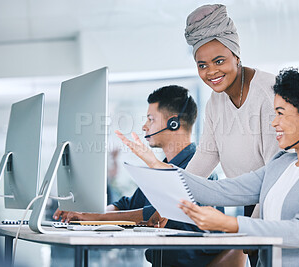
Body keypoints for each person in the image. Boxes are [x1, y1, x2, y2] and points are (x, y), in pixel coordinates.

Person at [117, 4, 279, 265]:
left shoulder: (268, 92)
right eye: (202, 65)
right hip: (250, 202)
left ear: (236, 55)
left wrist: (252, 228)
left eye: (219, 61)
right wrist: (170, 206)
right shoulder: (215, 102)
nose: (211, 72)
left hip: (276, 203)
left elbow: (277, 171)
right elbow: (205, 158)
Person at [175, 68, 299, 266]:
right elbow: (222, 191)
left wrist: (230, 224)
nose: (274, 123)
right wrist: (162, 170)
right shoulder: (282, 163)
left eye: (280, 113)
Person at [54, 85, 222, 267]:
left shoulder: (200, 169)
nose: (144, 126)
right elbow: (127, 205)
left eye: (150, 119)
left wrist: (92, 217)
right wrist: (83, 212)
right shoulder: (163, 168)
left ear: (173, 123)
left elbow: (156, 215)